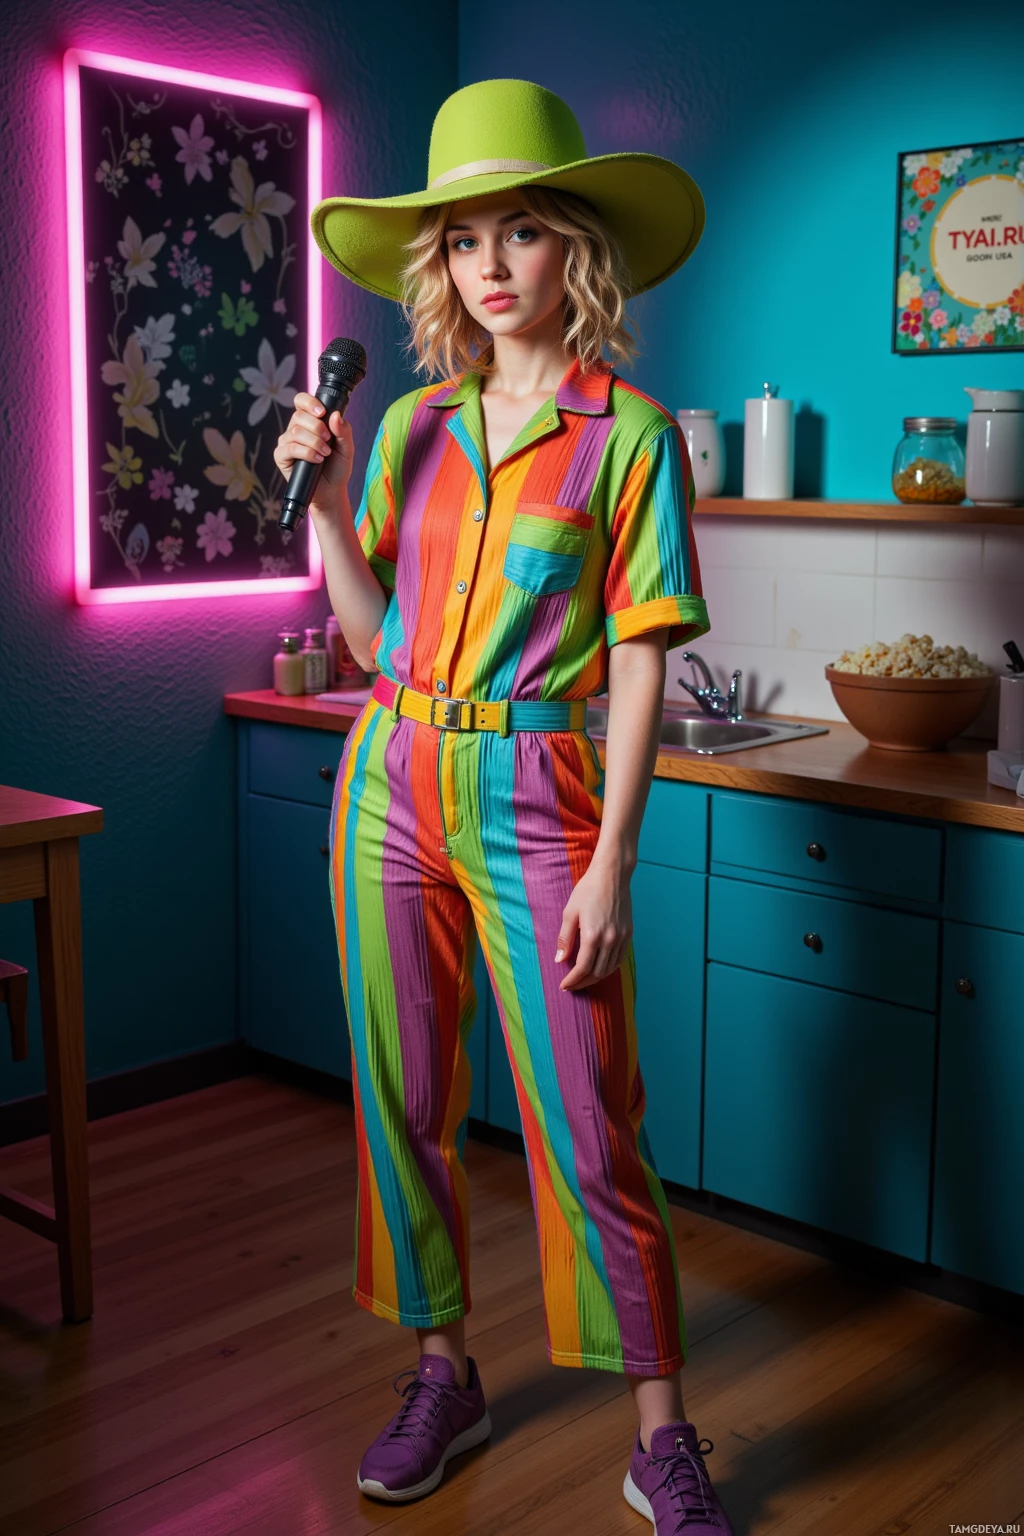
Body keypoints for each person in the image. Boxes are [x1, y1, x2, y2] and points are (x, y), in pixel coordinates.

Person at [275, 78, 733, 1535]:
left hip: (541, 790)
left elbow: (642, 661)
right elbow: (369, 642)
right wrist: (329, 503)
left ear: (571, 251)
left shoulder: (632, 436)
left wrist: (614, 861)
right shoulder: (411, 423)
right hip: (389, 781)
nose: (490, 264)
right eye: (465, 239)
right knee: (403, 1095)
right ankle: (443, 1374)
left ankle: (662, 1437)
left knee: (593, 1120)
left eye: (520, 232)